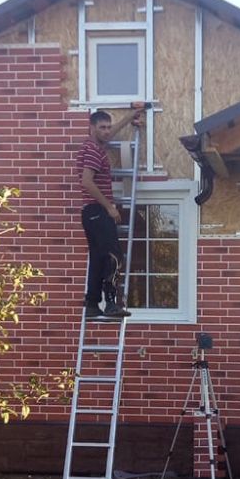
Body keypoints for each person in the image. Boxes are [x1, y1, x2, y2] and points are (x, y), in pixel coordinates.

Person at [77, 105, 145, 321]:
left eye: (108, 127)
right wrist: (109, 207)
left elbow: (112, 131)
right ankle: (111, 303)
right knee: (114, 256)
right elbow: (87, 182)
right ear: (92, 128)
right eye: (102, 127)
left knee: (98, 258)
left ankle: (92, 304)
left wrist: (130, 116)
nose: (107, 131)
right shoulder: (93, 151)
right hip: (98, 211)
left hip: (90, 213)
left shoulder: (94, 145)